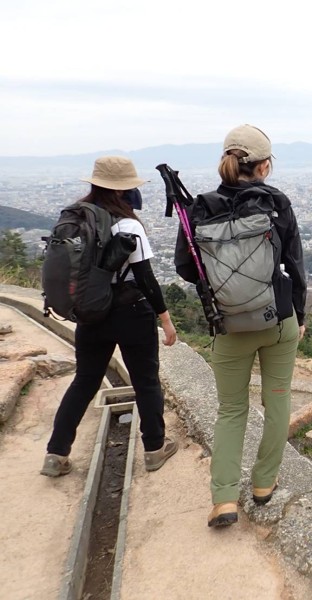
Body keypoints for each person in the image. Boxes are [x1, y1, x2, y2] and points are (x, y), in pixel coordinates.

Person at [174, 124, 307, 528]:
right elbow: (296, 265)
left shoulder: (198, 208)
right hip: (278, 319)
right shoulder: (276, 203)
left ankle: (224, 500)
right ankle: (264, 485)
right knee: (277, 399)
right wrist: (298, 316)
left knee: (232, 410)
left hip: (228, 326)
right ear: (264, 166)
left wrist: (225, 287)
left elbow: (185, 267)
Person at [41, 156, 179, 477]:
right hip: (131, 312)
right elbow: (145, 278)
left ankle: (55, 453)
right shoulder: (128, 224)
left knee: (85, 381)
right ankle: (155, 448)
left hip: (90, 312)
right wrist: (166, 319)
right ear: (121, 191)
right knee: (145, 380)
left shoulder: (78, 217)